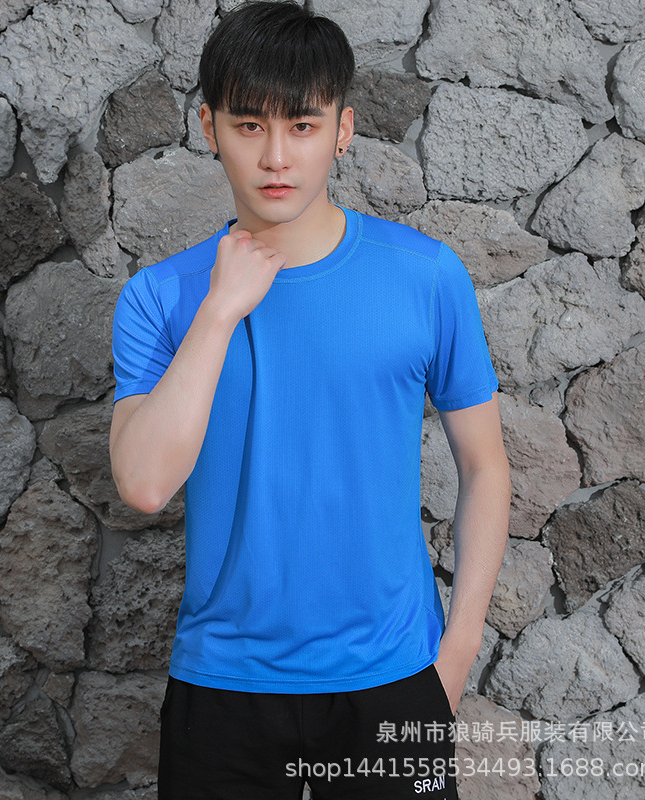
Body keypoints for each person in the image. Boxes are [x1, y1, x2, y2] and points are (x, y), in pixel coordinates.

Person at [109, 2, 510, 797]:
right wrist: (219, 311)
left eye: (301, 125)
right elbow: (145, 485)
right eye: (248, 125)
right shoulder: (162, 297)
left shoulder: (426, 276)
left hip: (393, 679)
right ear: (208, 128)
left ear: (342, 130)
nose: (275, 155)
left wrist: (455, 657)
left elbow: (485, 466)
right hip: (222, 686)